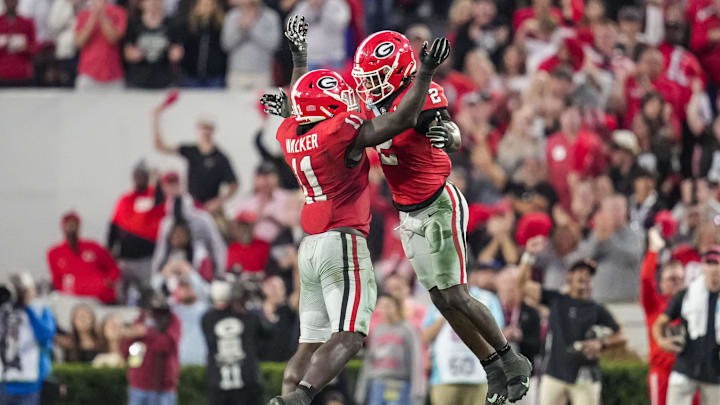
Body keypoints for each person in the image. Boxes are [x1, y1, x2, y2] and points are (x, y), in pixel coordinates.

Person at [261, 17, 450, 405]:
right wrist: (425, 71)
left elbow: (301, 104)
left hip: (309, 247)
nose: (350, 101)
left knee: (309, 343)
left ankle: (287, 396)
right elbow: (398, 120)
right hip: (341, 242)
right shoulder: (338, 133)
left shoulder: (290, 132)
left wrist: (300, 58)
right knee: (350, 336)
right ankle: (302, 397)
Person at [351, 29, 531, 404]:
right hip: (409, 213)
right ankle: (491, 365)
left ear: (399, 70)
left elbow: (446, 128)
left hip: (438, 204)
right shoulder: (379, 102)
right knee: (440, 300)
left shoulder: (421, 93)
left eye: (375, 77)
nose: (370, 86)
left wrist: (447, 133)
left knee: (457, 295)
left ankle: (512, 359)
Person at [517, 252, 625, 405]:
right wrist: (528, 256)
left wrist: (601, 343)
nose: (584, 276)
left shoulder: (596, 309)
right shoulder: (556, 300)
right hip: (555, 373)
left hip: (585, 376)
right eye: (580, 272)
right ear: (569, 276)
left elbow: (621, 335)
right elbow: (522, 285)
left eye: (588, 274)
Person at [653, 246, 720, 405]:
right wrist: (662, 342)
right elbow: (660, 323)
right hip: (685, 367)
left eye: (716, 263)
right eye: (709, 263)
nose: (713, 267)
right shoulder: (687, 295)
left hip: (716, 371)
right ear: (703, 266)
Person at [422, 282, 504, 405]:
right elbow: (425, 336)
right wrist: (447, 311)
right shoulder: (438, 298)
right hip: (444, 378)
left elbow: (497, 334)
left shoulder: (487, 298)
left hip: (481, 377)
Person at [152, 101, 238, 212]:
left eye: (208, 127)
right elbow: (160, 146)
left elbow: (234, 184)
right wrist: (156, 117)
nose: (205, 131)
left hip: (210, 209)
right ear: (197, 128)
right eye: (203, 127)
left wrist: (218, 201)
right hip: (191, 206)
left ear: (213, 129)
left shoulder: (221, 157)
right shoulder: (190, 151)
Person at [202, 280, 268, 405]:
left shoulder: (208, 318)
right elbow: (269, 331)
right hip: (246, 384)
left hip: (219, 385)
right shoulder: (251, 318)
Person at [108, 161, 165, 304]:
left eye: (143, 175)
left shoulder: (153, 197)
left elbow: (161, 202)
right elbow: (114, 226)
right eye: (137, 175)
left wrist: (156, 181)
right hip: (125, 259)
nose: (140, 178)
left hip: (146, 259)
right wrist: (109, 251)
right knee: (120, 296)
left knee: (147, 295)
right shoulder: (125, 199)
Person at [641, 228, 686, 405]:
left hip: (687, 371)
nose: (676, 283)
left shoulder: (691, 304)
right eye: (672, 279)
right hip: (662, 372)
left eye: (680, 279)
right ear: (662, 282)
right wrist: (653, 250)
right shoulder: (654, 304)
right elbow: (645, 279)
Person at [355, 294, 425, 405]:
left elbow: (417, 360)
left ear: (396, 307)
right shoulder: (377, 331)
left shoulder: (408, 330)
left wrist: (418, 391)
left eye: (388, 305)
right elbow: (368, 362)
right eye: (381, 306)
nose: (384, 309)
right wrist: (362, 390)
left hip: (400, 384)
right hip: (377, 384)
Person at [0, 273, 56, 405]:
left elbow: (46, 336)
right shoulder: (3, 309)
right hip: (3, 383)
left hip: (29, 385)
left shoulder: (40, 309)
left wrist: (27, 308)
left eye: (23, 290)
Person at [47, 211, 120, 304]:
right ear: (63, 227)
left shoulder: (94, 247)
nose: (71, 228)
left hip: (101, 299)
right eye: (68, 225)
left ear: (79, 227)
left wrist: (107, 282)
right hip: (73, 300)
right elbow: (57, 280)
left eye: (74, 225)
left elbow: (113, 268)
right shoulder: (54, 253)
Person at [123, 291, 181, 405]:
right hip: (138, 386)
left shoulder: (172, 320)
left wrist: (147, 332)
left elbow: (165, 345)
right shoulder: (139, 320)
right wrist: (129, 336)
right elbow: (126, 352)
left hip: (163, 388)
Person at [152, 258, 209, 366]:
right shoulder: (172, 311)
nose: (187, 288)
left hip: (202, 362)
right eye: (183, 286)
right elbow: (152, 292)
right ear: (176, 290)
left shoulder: (205, 310)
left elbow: (206, 290)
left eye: (190, 285)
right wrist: (165, 272)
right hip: (178, 364)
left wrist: (189, 272)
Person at [221, 0, 280, 89]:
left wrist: (252, 27)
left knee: (261, 102)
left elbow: (274, 45)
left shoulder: (271, 16)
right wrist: (241, 30)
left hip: (262, 74)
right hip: (237, 73)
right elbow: (226, 45)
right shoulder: (232, 16)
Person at [123, 0, 183, 88]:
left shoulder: (171, 24)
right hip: (138, 81)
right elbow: (127, 52)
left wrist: (176, 54)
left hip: (165, 81)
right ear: (141, 4)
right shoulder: (134, 24)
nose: (154, 3)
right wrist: (132, 54)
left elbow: (178, 50)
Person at [74, 0, 127, 90]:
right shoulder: (83, 14)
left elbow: (113, 38)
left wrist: (102, 16)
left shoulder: (119, 12)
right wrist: (92, 18)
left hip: (113, 75)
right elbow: (79, 43)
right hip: (88, 74)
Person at [177, 0, 226, 87]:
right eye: (203, 5)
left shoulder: (220, 26)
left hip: (214, 76)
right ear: (197, 7)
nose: (206, 8)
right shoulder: (188, 26)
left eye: (209, 5)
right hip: (192, 75)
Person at [258, 275, 300, 362]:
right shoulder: (256, 314)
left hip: (284, 363)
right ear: (265, 288)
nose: (281, 291)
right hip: (263, 363)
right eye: (275, 287)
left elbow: (298, 291)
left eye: (282, 287)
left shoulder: (287, 311)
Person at [0, 0, 35, 86]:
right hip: (2, 74)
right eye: (8, 1)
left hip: (22, 74)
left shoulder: (27, 23)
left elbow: (34, 47)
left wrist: (24, 48)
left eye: (13, 1)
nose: (11, 3)